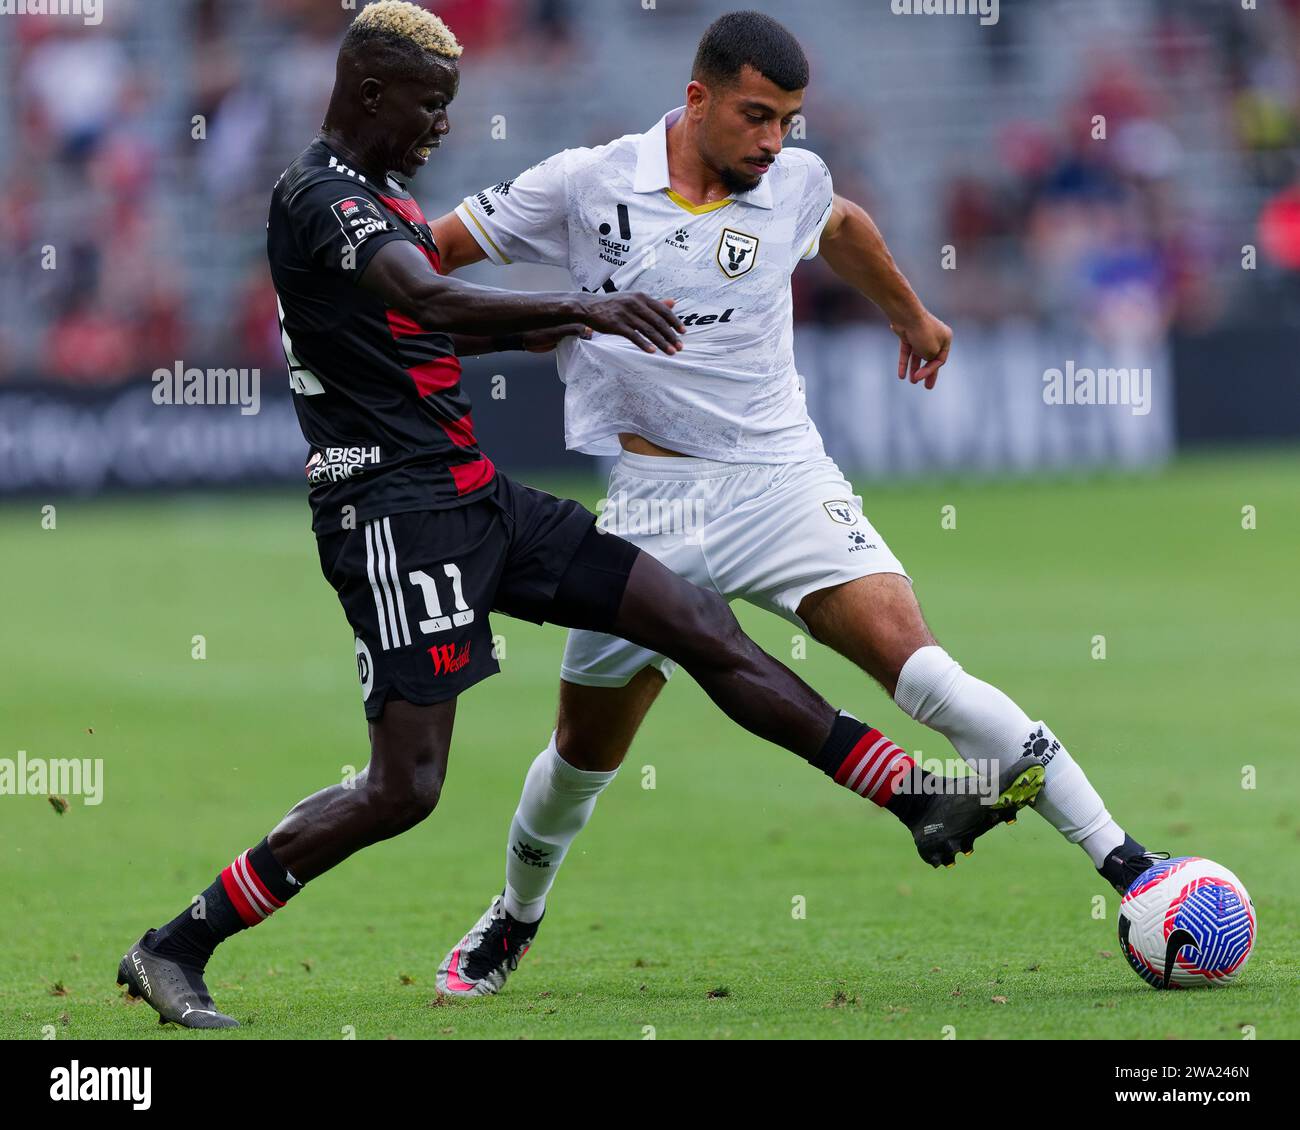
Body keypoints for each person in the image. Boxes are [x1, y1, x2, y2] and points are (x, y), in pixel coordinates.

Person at [115, 1, 1039, 1030]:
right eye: (428, 106)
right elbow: (430, 303)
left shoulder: (379, 195)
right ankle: (174, 944)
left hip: (476, 494)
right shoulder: (320, 199)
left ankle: (912, 796)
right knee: (404, 785)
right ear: (369, 94)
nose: (442, 127)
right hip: (392, 512)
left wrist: (569, 332)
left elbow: (417, 335)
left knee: (693, 621)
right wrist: (584, 309)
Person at [430, 9, 1161, 998]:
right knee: (579, 756)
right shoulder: (582, 183)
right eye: (757, 116)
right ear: (696, 101)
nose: (774, 141)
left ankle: (1132, 869)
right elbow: (424, 260)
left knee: (927, 671)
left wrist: (910, 311)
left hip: (783, 481)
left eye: (788, 121)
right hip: (652, 506)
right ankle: (513, 917)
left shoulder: (792, 185)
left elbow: (845, 225)